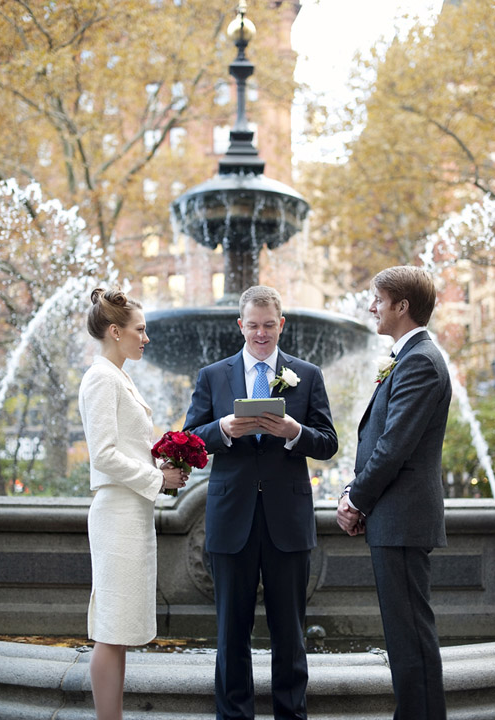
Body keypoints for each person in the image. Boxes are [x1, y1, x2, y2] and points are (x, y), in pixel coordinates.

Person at [183, 285, 338, 720]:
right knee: (232, 634)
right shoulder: (213, 375)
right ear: (240, 326)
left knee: (290, 633)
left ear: (281, 324)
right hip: (231, 519)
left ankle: (292, 715)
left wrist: (293, 432)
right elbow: (189, 439)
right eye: (253, 325)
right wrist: (224, 428)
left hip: (287, 520)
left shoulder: (306, 374)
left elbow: (328, 443)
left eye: (269, 325)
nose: (261, 333)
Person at [337, 266, 452, 720]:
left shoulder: (420, 360)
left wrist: (354, 499)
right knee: (406, 637)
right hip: (395, 517)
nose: (371, 307)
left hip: (402, 520)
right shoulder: (409, 356)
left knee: (411, 640)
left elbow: (393, 447)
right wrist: (357, 493)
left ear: (402, 306)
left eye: (378, 300)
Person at [79, 287, 187, 720]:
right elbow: (102, 454)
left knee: (118, 626)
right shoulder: (101, 377)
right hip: (117, 514)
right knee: (111, 627)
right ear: (114, 331)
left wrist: (163, 462)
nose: (146, 338)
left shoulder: (116, 375)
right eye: (140, 331)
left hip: (130, 512)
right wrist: (157, 478)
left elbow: (125, 446)